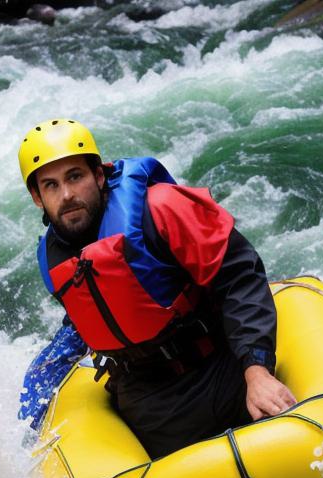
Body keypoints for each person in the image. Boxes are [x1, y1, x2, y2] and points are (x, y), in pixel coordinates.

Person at [15, 118, 296, 458]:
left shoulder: (161, 208)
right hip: (147, 400)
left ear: (98, 175)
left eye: (75, 176)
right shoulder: (52, 258)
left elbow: (240, 276)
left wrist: (257, 371)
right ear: (37, 198)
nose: (68, 194)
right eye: (51, 185)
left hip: (223, 370)